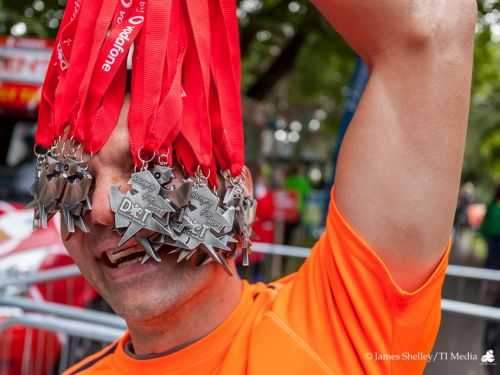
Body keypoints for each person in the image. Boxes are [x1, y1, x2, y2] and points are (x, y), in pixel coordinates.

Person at [35, 0, 475, 374]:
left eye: (148, 166)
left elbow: (432, 28)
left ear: (238, 193)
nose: (99, 209)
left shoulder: (343, 330)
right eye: (75, 181)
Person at [481, 186, 500, 269]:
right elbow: (486, 220)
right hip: (491, 235)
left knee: (496, 255)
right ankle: (487, 276)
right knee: (492, 255)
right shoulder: (493, 204)